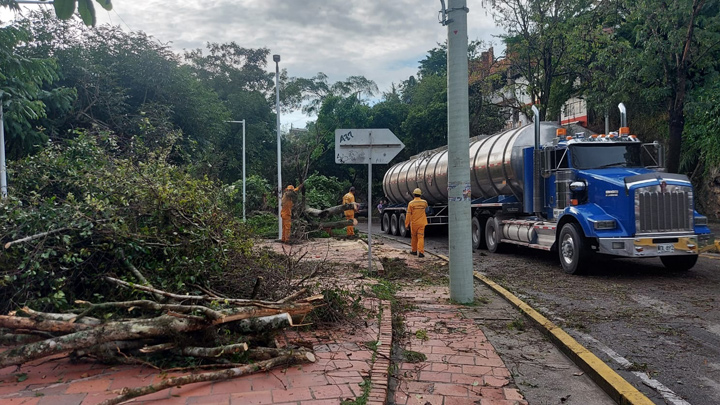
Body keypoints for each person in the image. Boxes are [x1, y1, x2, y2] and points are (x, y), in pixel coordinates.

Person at [405, 188, 428, 258]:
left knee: (414, 237)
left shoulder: (411, 203)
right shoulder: (424, 202)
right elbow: (426, 207)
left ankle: (414, 251)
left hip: (414, 223)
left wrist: (406, 224)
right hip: (422, 223)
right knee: (421, 237)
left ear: (414, 195)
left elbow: (408, 214)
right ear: (420, 194)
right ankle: (421, 252)